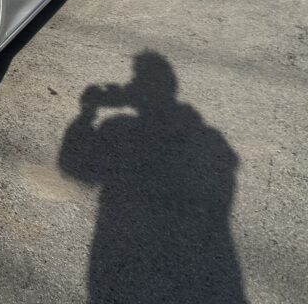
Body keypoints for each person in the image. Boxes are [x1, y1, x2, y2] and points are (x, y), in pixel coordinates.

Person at [59, 52, 247, 303]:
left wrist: (87, 112)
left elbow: (74, 168)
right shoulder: (211, 139)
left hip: (122, 254)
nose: (129, 86)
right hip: (208, 266)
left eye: (136, 81)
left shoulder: (118, 128)